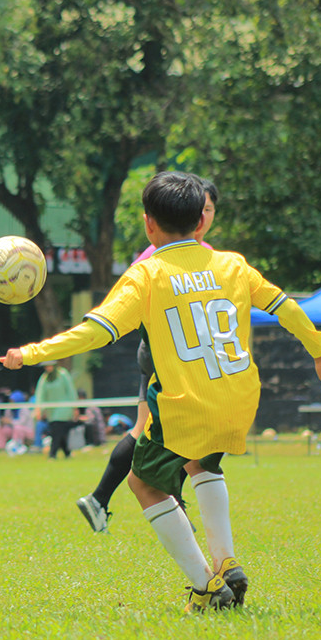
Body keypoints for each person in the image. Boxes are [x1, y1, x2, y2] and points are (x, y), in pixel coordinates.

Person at [1, 171, 321, 612]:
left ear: (148, 224)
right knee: (202, 464)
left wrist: (29, 353)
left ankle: (207, 587)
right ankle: (227, 562)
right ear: (201, 222)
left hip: (185, 404)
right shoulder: (233, 265)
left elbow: (94, 333)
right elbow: (286, 307)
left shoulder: (147, 274)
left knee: (143, 484)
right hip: (238, 398)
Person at [77, 177, 219, 534]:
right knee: (179, 440)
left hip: (183, 359)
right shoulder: (158, 255)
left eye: (207, 209)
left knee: (151, 434)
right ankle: (166, 505)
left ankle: (100, 499)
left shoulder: (207, 256)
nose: (202, 215)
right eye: (199, 208)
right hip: (164, 360)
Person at [34, 360, 78, 459]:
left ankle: (52, 454)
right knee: (58, 432)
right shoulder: (44, 378)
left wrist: (75, 406)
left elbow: (70, 390)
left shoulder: (63, 374)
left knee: (56, 430)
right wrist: (39, 409)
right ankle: (67, 453)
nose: (48, 368)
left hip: (63, 408)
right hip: (51, 410)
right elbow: (41, 394)